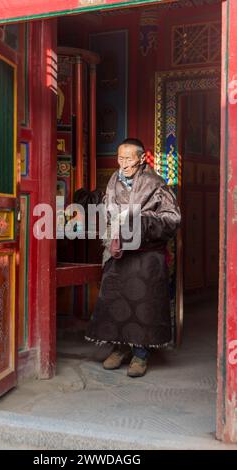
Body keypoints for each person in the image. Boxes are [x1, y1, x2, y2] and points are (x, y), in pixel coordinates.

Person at [85, 138, 181, 377]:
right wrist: (114, 232)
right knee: (114, 296)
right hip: (120, 251)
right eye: (120, 158)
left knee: (143, 300)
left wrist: (142, 222)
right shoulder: (114, 180)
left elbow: (172, 218)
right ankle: (119, 348)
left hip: (147, 253)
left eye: (128, 159)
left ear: (141, 159)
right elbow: (108, 209)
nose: (123, 164)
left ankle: (140, 354)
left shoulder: (156, 183)